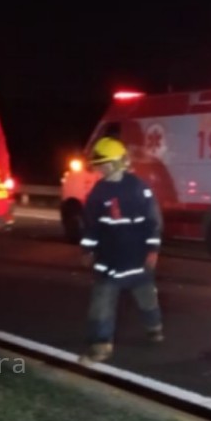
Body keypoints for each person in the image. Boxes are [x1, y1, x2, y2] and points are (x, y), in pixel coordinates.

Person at [78, 137, 163, 366]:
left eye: (104, 164)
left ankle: (154, 328)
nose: (100, 169)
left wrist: (153, 250)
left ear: (117, 163)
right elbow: (91, 225)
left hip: (137, 259)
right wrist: (87, 249)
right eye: (99, 164)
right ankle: (100, 346)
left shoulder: (138, 188)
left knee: (147, 299)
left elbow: (153, 221)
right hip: (109, 261)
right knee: (101, 304)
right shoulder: (97, 193)